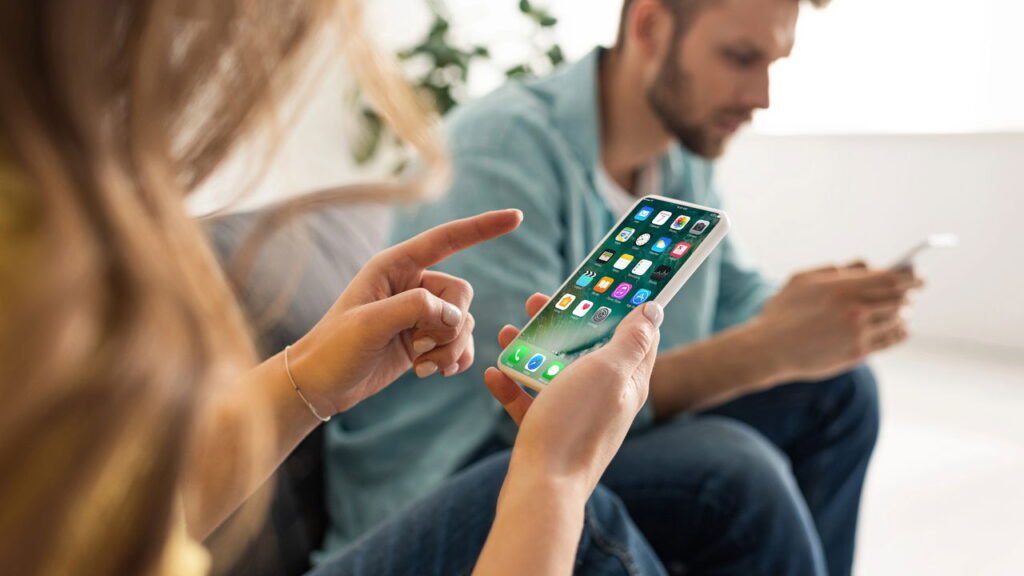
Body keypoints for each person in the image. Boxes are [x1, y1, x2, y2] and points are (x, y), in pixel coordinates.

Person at [0, 1, 674, 575]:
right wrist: (554, 478)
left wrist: (310, 375)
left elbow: (120, 513)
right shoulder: (50, 280)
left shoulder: (45, 237)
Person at [322, 0, 923, 574]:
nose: (762, 96)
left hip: (578, 431)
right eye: (741, 58)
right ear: (651, 28)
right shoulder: (502, 147)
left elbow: (735, 299)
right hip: (461, 469)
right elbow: (523, 396)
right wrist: (772, 348)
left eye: (773, 63)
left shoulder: (682, 155)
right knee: (734, 471)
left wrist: (808, 310)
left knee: (841, 389)